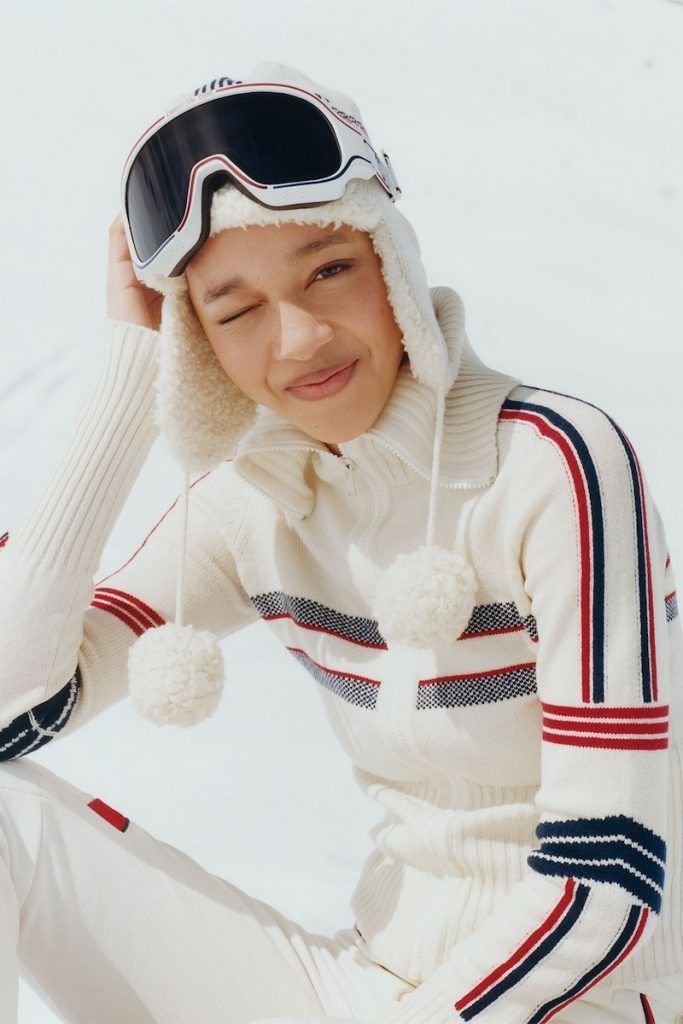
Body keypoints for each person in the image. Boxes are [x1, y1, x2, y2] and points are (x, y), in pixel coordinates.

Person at [0, 61, 681, 1024]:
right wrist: (127, 381)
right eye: (233, 312)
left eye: (328, 269)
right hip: (363, 986)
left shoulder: (551, 466)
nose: (298, 339)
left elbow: (607, 874)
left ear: (392, 262)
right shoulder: (251, 499)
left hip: (578, 1003)